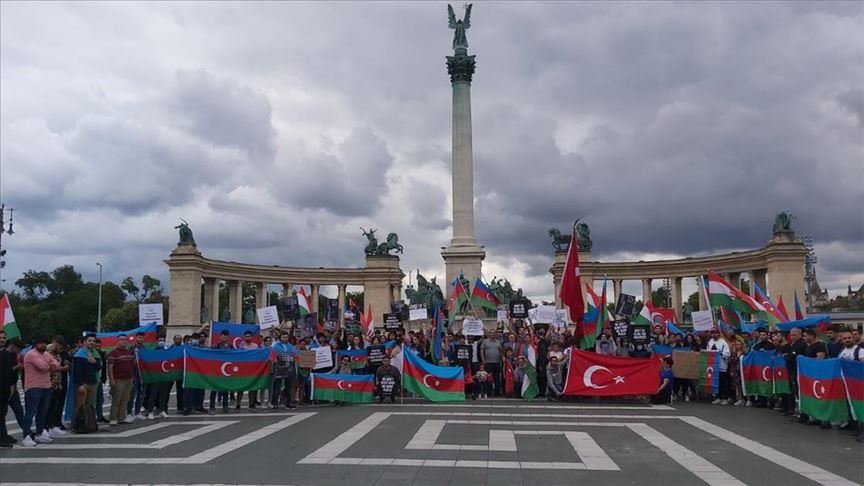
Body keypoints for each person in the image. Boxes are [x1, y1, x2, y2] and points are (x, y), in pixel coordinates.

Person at [21, 336, 59, 446]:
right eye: (40, 343)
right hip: (33, 387)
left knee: (42, 412)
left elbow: (56, 364)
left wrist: (51, 365)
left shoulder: (45, 354)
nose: (42, 345)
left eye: (44, 343)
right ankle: (26, 435)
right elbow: (43, 367)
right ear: (36, 344)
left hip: (46, 386)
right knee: (30, 412)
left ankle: (40, 432)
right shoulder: (31, 354)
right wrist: (50, 365)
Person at [72, 333, 102, 430]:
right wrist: (80, 384)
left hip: (93, 382)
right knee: (79, 405)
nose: (91, 343)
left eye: (93, 341)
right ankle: (77, 425)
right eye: (89, 341)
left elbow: (98, 368)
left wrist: (94, 361)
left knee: (90, 405)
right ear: (85, 342)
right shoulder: (79, 354)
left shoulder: (96, 353)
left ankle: (89, 424)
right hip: (83, 384)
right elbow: (76, 372)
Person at [801, 328, 829, 428]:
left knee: (821, 396)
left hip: (820, 376)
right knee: (813, 397)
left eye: (805, 336)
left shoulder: (820, 346)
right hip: (811, 376)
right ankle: (816, 418)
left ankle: (825, 421)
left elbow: (820, 359)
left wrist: (807, 361)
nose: (804, 338)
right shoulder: (809, 347)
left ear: (811, 336)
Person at [107, 334, 136, 425]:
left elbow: (133, 364)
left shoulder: (129, 352)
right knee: (117, 399)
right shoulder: (113, 353)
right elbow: (110, 367)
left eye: (125, 340)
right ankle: (113, 418)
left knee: (125, 399)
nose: (124, 341)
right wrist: (112, 380)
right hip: (118, 379)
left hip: (129, 379)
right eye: (122, 340)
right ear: (117, 341)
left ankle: (122, 417)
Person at [45, 342, 70, 436]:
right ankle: (46, 427)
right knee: (49, 407)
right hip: (49, 384)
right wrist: (64, 368)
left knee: (55, 407)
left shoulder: (58, 356)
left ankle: (53, 425)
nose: (59, 349)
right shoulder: (47, 356)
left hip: (57, 383)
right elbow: (52, 369)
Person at [0, 331, 20, 447]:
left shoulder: (8, 354)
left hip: (6, 389)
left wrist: (12, 385)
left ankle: (4, 435)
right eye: (0, 338)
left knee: (3, 414)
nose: (2, 340)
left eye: (3, 338)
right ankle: (2, 439)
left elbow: (11, 372)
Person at [235, 330, 261, 409]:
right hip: (243, 370)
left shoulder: (256, 346)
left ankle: (251, 403)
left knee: (252, 387)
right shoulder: (241, 346)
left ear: (252, 337)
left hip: (253, 369)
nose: (248, 337)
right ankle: (238, 403)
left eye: (249, 336)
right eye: (246, 336)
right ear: (244, 337)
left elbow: (259, 356)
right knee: (241, 387)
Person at [706, 329, 732, 405]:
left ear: (718, 334)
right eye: (712, 333)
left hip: (721, 365)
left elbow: (727, 354)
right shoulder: (710, 342)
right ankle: (718, 397)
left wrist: (719, 353)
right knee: (716, 382)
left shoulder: (723, 343)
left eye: (715, 333)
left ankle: (725, 398)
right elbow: (708, 351)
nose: (714, 335)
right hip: (713, 365)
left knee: (722, 382)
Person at [210, 330, 233, 413]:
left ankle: (225, 406)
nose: (225, 338)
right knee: (214, 389)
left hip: (226, 371)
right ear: (220, 337)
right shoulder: (215, 346)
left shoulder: (231, 346)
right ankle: (212, 407)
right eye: (223, 336)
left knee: (225, 389)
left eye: (226, 337)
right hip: (216, 371)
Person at [126, 332, 146, 420]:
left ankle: (138, 412)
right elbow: (130, 360)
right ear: (136, 338)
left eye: (142, 337)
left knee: (141, 393)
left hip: (142, 373)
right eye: (139, 337)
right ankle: (129, 412)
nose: (141, 339)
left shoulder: (144, 347)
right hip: (134, 373)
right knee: (132, 393)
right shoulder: (132, 348)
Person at [169, 334, 185, 412]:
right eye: (177, 338)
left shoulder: (183, 348)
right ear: (174, 340)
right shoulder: (170, 349)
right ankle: (163, 406)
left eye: (180, 339)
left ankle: (180, 407)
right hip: (172, 372)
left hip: (180, 372)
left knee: (180, 391)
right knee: (167, 390)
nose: (179, 340)